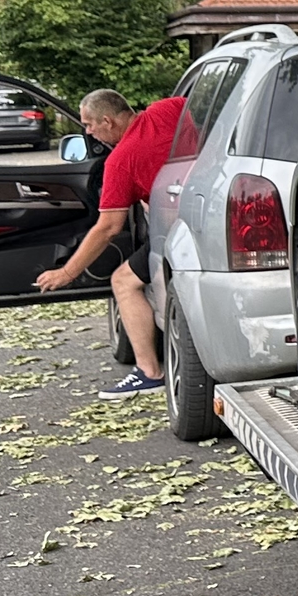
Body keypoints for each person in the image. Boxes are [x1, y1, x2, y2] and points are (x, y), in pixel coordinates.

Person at [34, 87, 187, 398]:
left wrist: (67, 273)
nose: (88, 133)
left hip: (178, 235)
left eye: (89, 125)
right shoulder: (168, 108)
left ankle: (149, 372)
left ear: (108, 121)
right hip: (214, 212)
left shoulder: (120, 161)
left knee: (123, 281)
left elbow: (108, 227)